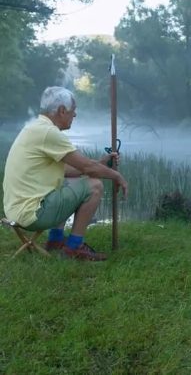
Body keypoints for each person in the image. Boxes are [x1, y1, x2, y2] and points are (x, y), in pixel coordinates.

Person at [2, 86, 128, 261]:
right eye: (73, 111)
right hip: (32, 214)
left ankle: (55, 241)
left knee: (67, 180)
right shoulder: (49, 133)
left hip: (16, 210)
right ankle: (73, 248)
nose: (74, 115)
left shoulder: (35, 128)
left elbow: (71, 170)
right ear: (62, 111)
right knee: (95, 186)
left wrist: (101, 163)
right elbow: (87, 168)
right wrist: (117, 176)